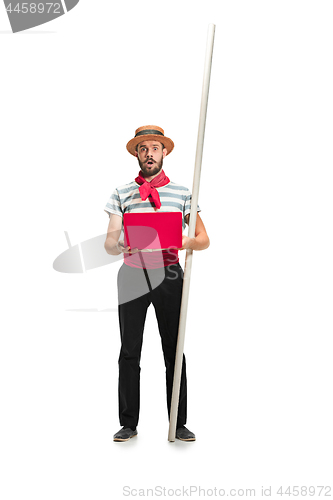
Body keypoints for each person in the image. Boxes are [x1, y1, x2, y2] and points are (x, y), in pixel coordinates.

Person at [104, 125, 209, 442]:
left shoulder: (183, 193)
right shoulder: (122, 192)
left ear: (164, 152)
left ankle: (178, 422)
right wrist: (119, 245)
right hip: (133, 274)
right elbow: (109, 242)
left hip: (170, 275)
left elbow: (204, 240)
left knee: (174, 351)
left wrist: (184, 240)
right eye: (143, 149)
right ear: (137, 154)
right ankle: (128, 423)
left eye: (154, 147)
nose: (149, 154)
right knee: (129, 350)